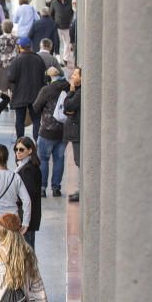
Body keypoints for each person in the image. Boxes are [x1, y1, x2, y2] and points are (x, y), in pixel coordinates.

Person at [32, 69, 71, 199]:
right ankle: (56, 188)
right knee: (59, 159)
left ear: (50, 77)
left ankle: (42, 188)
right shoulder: (69, 88)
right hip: (64, 130)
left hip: (47, 130)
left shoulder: (47, 90)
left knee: (43, 159)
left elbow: (36, 107)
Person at [8, 37, 47, 141]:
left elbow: (11, 78)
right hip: (36, 95)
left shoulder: (16, 60)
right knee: (36, 119)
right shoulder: (38, 59)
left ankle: (20, 141)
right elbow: (45, 78)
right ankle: (37, 140)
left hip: (20, 95)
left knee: (19, 119)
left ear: (20, 47)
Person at [14, 137, 42, 247]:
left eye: (21, 149)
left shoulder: (28, 170)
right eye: (16, 149)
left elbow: (27, 196)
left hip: (26, 217)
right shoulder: (26, 167)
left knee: (27, 251)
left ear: (30, 151)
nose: (18, 152)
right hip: (28, 216)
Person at [64, 67, 82, 202]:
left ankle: (81, 190)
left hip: (77, 131)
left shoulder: (78, 92)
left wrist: (70, 91)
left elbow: (68, 106)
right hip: (76, 130)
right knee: (78, 160)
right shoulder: (79, 91)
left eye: (75, 74)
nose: (72, 76)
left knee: (79, 160)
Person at [0, 20, 19, 93]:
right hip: (14, 63)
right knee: (13, 87)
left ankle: (6, 102)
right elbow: (18, 50)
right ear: (12, 28)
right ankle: (12, 102)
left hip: (2, 64)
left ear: (2, 28)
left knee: (4, 87)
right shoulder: (16, 38)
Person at [51, 0, 73, 64]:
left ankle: (65, 58)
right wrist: (54, 23)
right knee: (57, 42)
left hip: (67, 26)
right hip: (58, 26)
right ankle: (58, 59)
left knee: (67, 43)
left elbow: (73, 12)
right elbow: (51, 14)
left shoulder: (70, 1)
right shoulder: (54, 2)